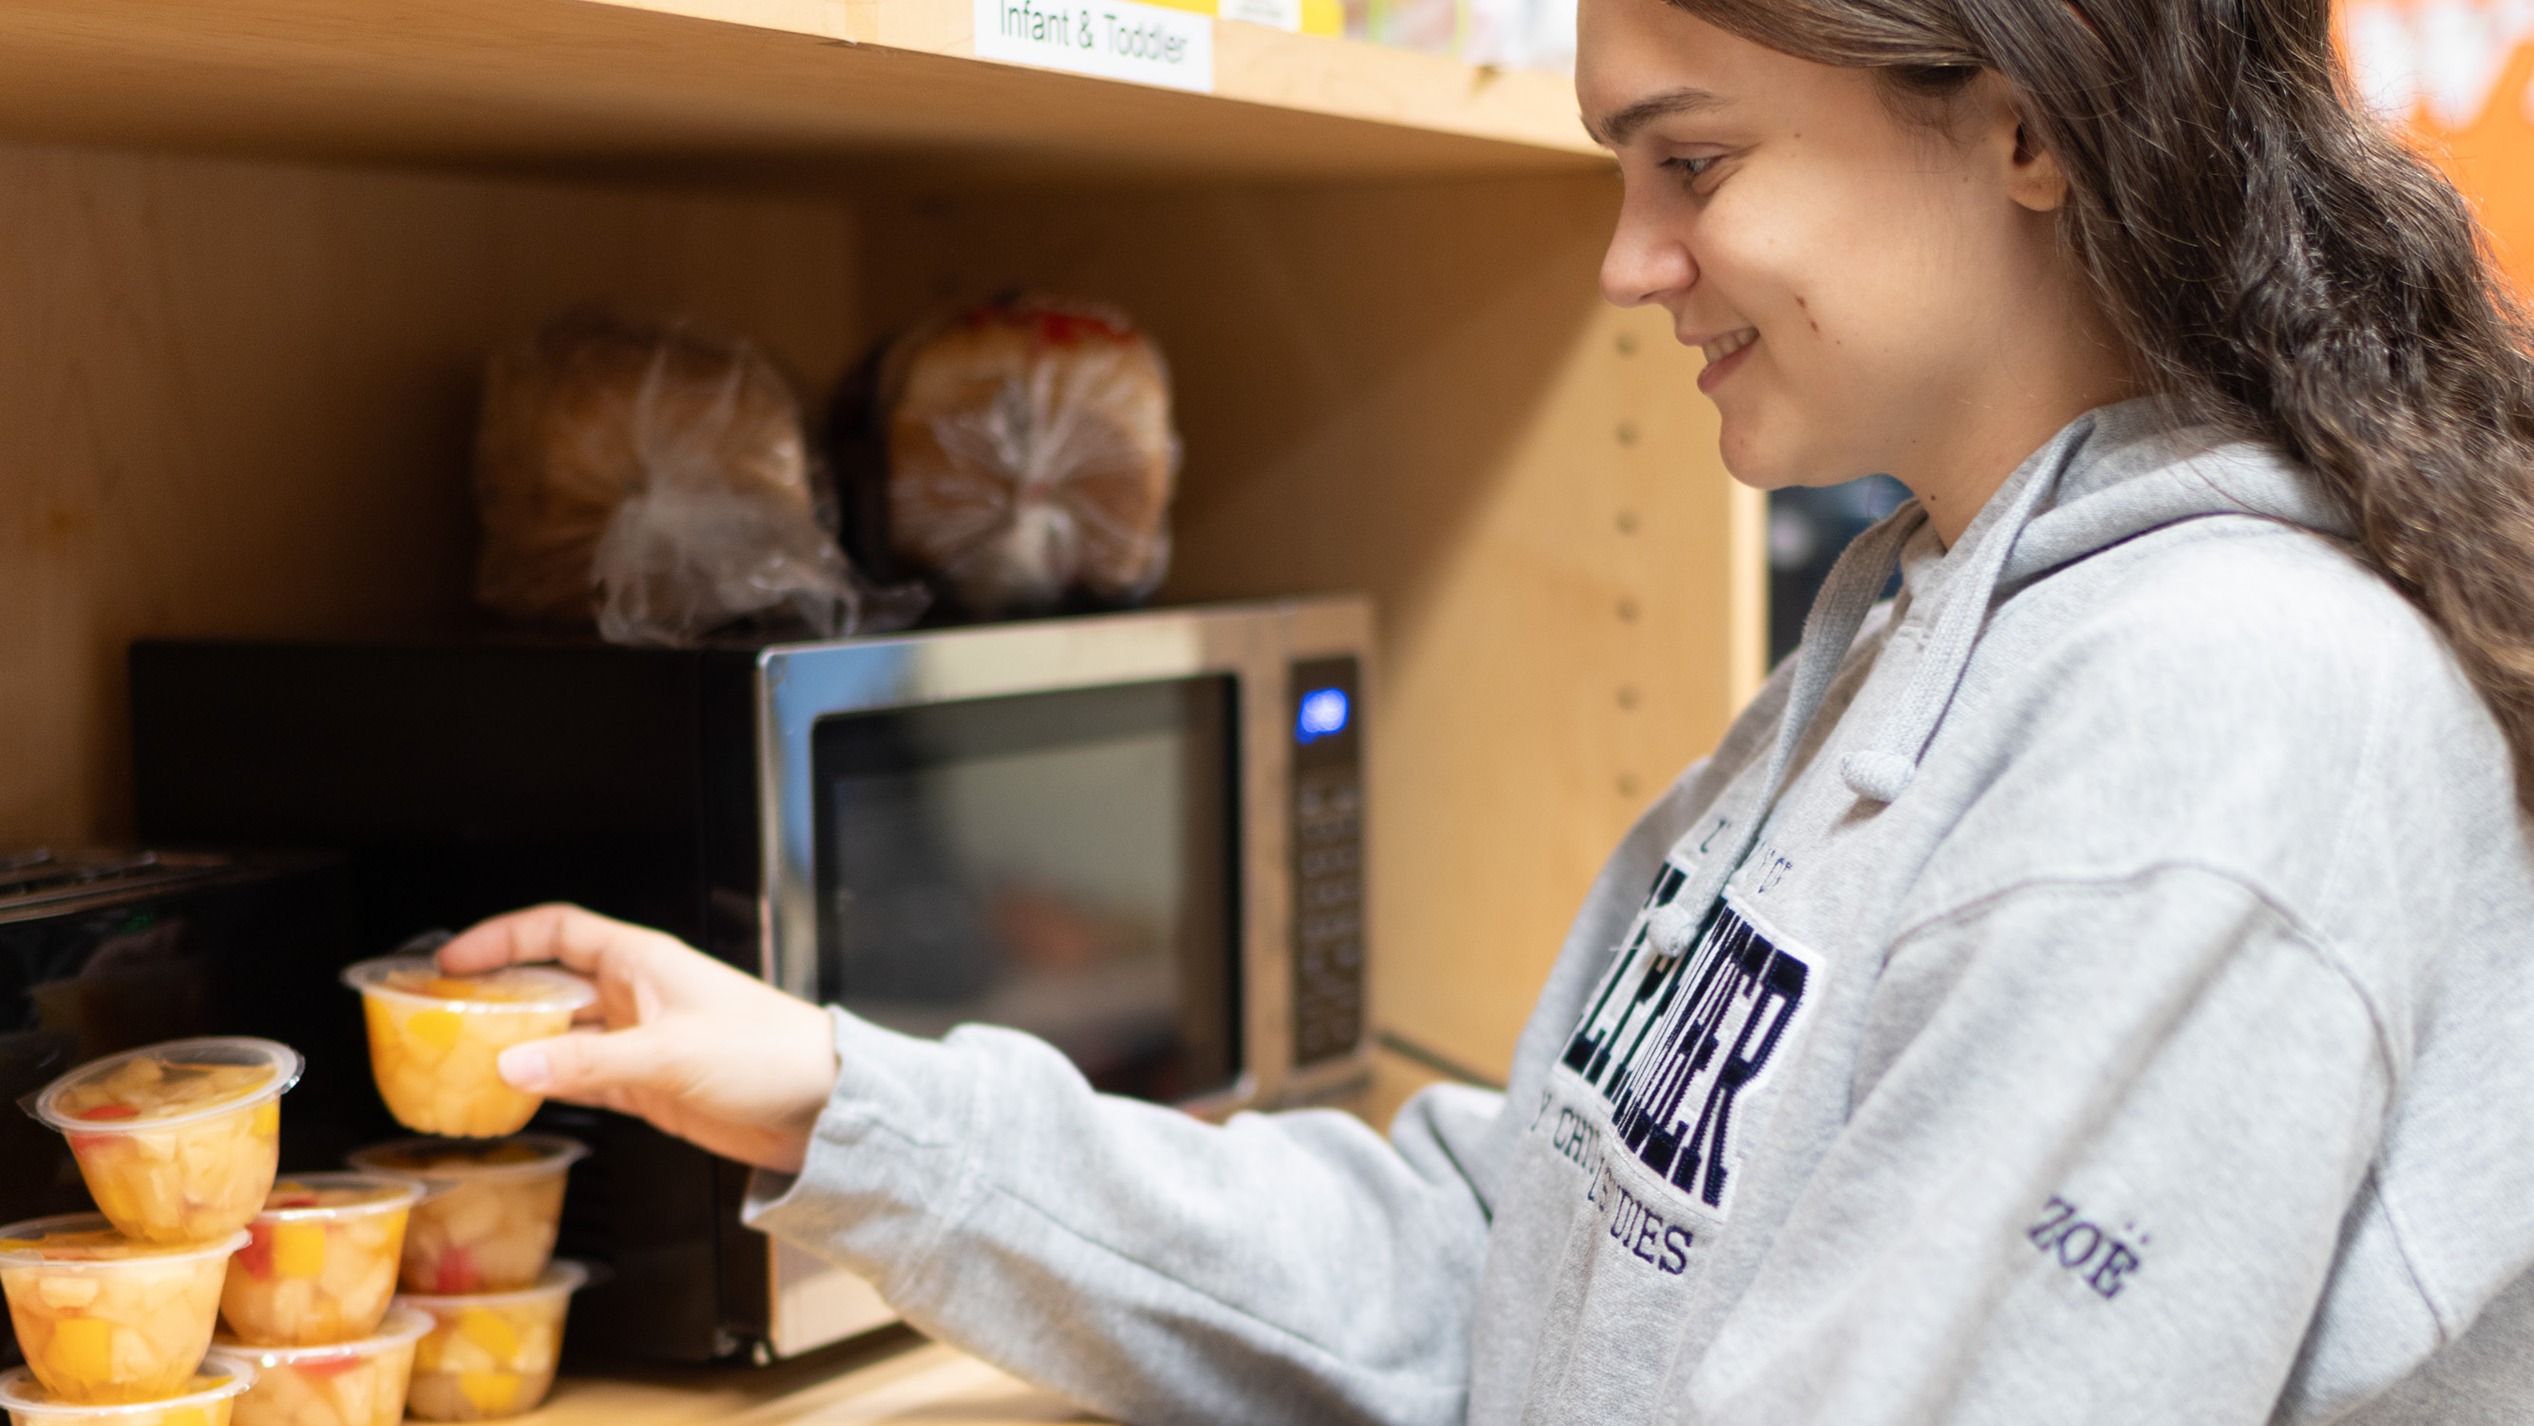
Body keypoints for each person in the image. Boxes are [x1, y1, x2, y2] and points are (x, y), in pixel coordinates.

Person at [438, 0, 2534, 1414]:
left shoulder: (2220, 718)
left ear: (2021, 126)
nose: (1627, 261)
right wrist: (834, 1091)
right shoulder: (1910, 629)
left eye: (1688, 161)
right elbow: (1513, 1249)